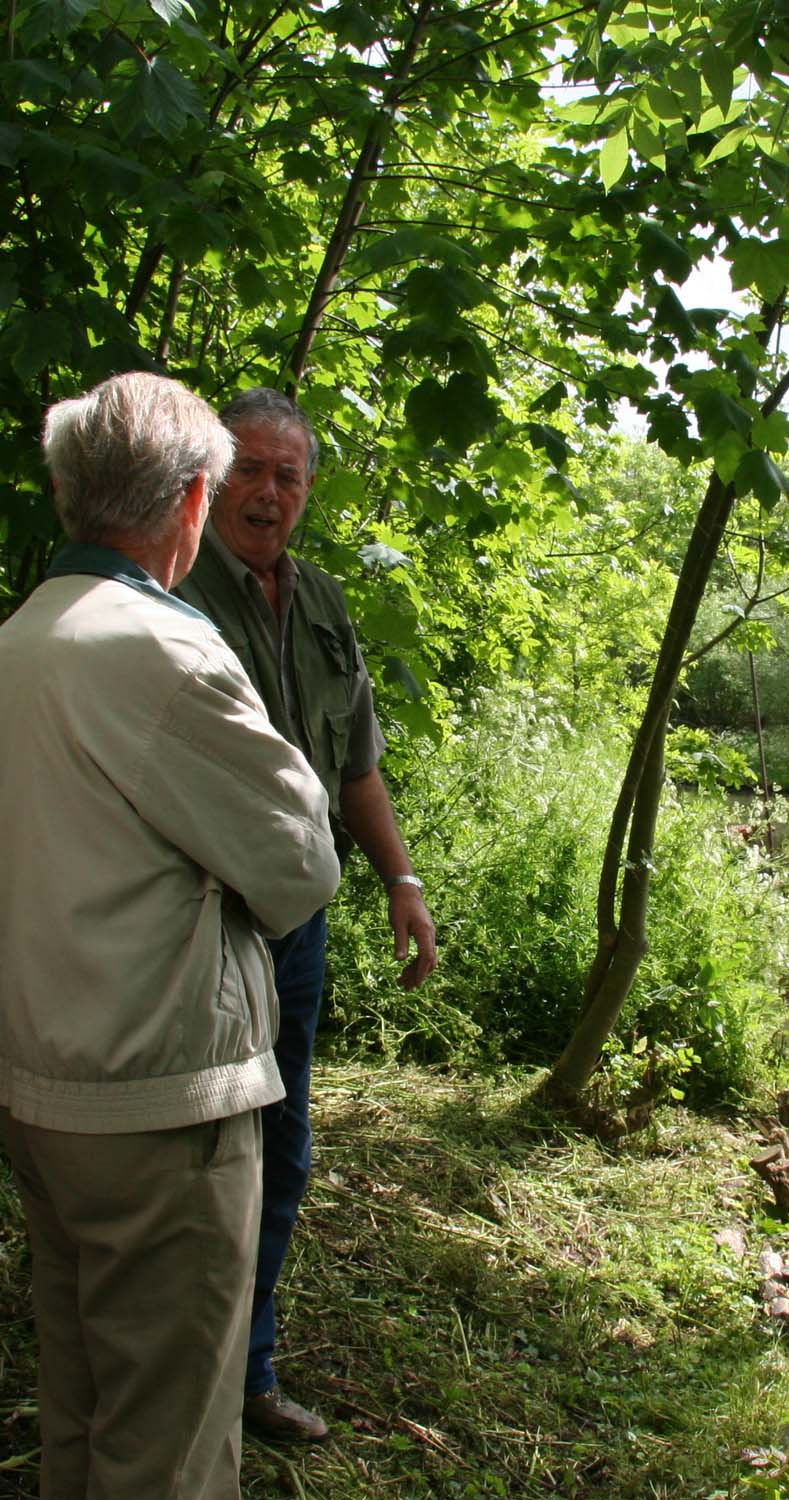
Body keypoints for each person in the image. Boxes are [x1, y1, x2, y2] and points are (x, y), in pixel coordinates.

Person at [0, 371, 342, 1499]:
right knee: (172, 1449)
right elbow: (300, 858)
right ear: (194, 502)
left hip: (43, 1090)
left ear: (67, 491)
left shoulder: (21, 640)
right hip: (161, 1105)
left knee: (84, 1412)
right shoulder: (162, 652)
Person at [176, 386, 438, 1444]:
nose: (268, 492)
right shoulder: (174, 592)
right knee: (197, 1152)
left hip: (302, 924)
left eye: (289, 475)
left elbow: (358, 764)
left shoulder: (323, 603)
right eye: (249, 467)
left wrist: (402, 881)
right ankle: (181, 1384)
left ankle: (250, 1377)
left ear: (309, 491)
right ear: (209, 476)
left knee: (284, 1148)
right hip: (202, 919)